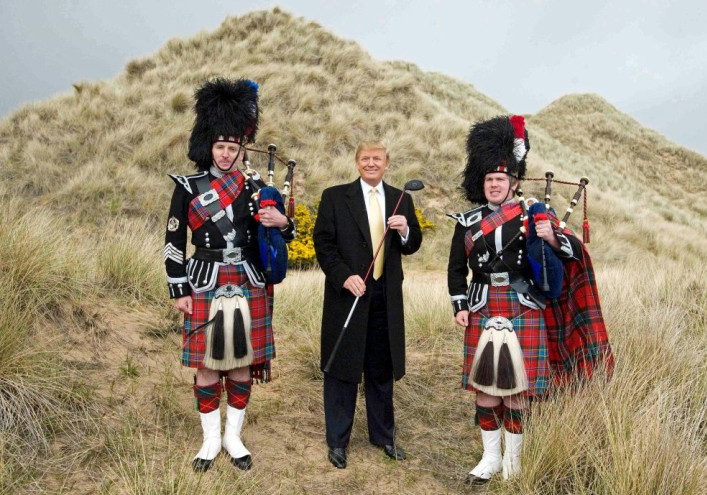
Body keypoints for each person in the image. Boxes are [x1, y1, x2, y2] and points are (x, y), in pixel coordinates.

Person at [447, 115, 613, 483]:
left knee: (518, 390)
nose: (494, 185)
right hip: (482, 306)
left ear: (513, 182)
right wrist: (460, 305)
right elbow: (456, 269)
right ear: (482, 182)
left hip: (524, 305)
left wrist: (551, 237)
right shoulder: (468, 221)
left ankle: (514, 462)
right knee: (486, 389)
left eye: (500, 180)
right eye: (489, 179)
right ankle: (490, 459)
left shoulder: (533, 213)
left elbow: (573, 252)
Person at [164, 78, 296, 472]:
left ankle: (233, 437)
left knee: (241, 362)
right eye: (220, 147)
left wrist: (283, 220)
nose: (225, 154)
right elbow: (173, 240)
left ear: (242, 148)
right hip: (203, 278)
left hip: (248, 279)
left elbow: (280, 233)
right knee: (206, 364)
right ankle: (209, 441)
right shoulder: (188, 187)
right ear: (210, 146)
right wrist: (178, 288)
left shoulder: (256, 186)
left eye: (232, 147)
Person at [313, 141, 422, 469]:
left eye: (377, 159)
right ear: (357, 162)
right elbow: (324, 243)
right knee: (343, 369)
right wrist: (344, 276)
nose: (371, 163)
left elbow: (413, 244)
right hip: (348, 295)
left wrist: (404, 231)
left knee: (380, 369)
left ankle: (383, 437)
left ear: (387, 163)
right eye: (365, 158)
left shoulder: (402, 199)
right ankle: (337, 442)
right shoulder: (334, 197)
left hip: (384, 298)